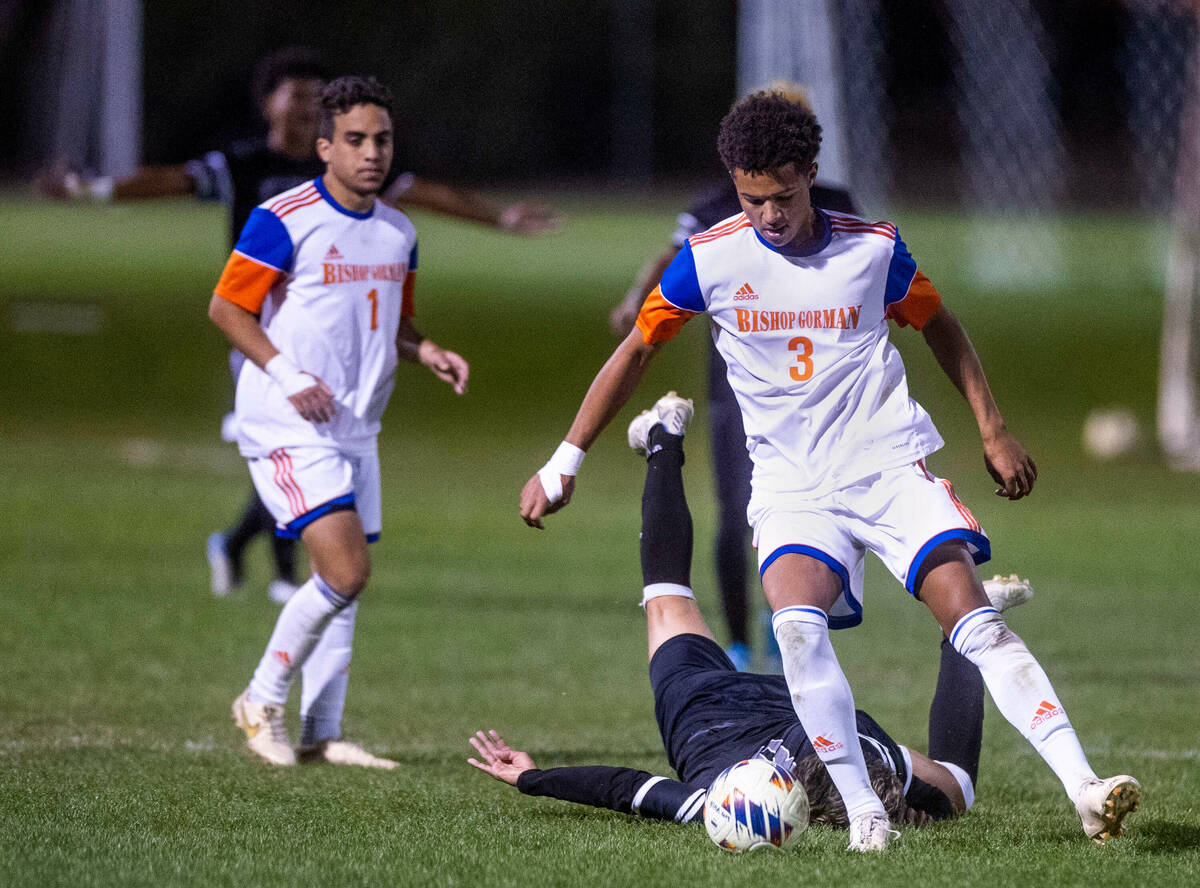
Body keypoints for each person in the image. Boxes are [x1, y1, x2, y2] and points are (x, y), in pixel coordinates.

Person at [519, 92, 1138, 850]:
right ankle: (865, 817)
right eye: (752, 200)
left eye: (782, 196)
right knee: (799, 630)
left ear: (810, 174)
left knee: (972, 620)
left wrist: (993, 427)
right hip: (791, 488)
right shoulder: (709, 258)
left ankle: (1085, 786)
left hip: (883, 468)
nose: (769, 215)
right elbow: (636, 351)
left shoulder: (873, 250)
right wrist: (564, 461)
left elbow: (940, 325)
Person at [36, 47, 558, 604]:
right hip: (264, 339)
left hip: (336, 340)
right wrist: (91, 190)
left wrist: (498, 218)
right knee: (296, 449)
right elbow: (169, 181)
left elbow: (419, 192)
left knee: (307, 456)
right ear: (269, 104)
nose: (309, 105)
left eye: (316, 95)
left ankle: (250, 553)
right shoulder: (243, 167)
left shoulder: (344, 164)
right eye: (298, 94)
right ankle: (283, 571)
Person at [475, 396, 1040, 832]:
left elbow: (626, 786)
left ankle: (663, 438)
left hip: (784, 711)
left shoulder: (725, 802)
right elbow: (629, 786)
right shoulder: (715, 799)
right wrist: (533, 776)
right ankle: (663, 440)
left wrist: (532, 777)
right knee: (667, 597)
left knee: (952, 793)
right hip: (728, 709)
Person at [208, 75, 469, 768]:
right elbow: (227, 309)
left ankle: (323, 733)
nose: (372, 152)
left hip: (357, 426)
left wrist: (429, 349)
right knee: (346, 572)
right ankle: (260, 701)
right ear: (325, 147)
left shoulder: (398, 232)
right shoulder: (283, 217)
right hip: (288, 424)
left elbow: (394, 325)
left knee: (345, 586)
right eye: (355, 140)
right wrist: (290, 378)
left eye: (381, 139)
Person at [608, 87, 856, 672]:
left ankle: (793, 617)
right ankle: (742, 641)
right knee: (735, 507)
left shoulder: (837, 204)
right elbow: (671, 260)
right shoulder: (718, 205)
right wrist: (634, 301)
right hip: (737, 393)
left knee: (826, 511)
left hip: (824, 395)